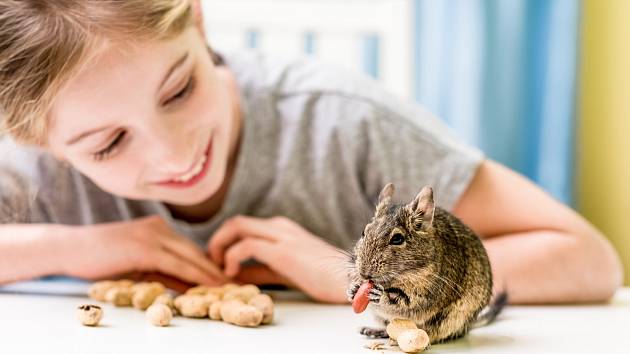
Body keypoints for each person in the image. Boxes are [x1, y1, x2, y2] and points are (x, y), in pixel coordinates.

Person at [0, 0, 622, 304]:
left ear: (198, 21)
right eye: (108, 144)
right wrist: (81, 246)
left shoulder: (343, 124)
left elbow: (588, 260)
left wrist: (365, 279)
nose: (173, 155)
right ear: (39, 142)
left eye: (181, 88)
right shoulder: (37, 167)